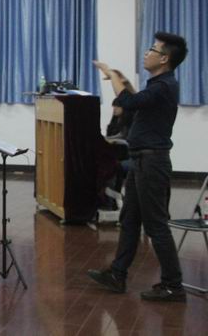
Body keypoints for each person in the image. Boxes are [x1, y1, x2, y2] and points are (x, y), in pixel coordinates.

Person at [88, 32, 189, 302]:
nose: (147, 53)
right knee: (129, 220)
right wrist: (118, 79)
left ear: (164, 58)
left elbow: (127, 102)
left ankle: (173, 285)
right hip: (141, 161)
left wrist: (113, 74)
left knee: (156, 226)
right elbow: (134, 103)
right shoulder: (157, 85)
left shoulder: (163, 86)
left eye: (152, 49)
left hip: (152, 162)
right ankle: (117, 274)